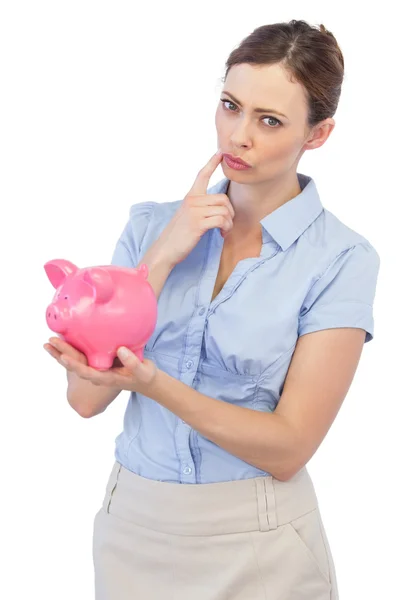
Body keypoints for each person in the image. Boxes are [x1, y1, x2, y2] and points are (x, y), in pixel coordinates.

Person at [44, 19, 380, 600]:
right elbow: (85, 399)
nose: (238, 135)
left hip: (258, 541)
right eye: (230, 105)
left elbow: (289, 447)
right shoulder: (151, 226)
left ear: (318, 134)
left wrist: (152, 384)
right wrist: (162, 259)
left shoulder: (341, 258)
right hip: (133, 526)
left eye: (269, 120)